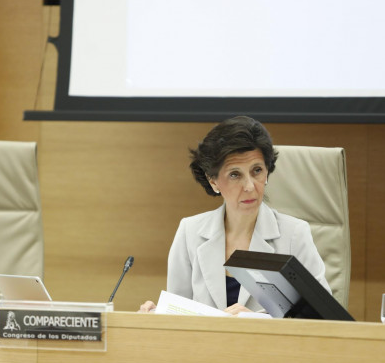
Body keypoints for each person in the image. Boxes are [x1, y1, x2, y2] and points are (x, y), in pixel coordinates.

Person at [139, 116, 331, 315]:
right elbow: (179, 315)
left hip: (268, 346)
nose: (249, 186)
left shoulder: (294, 234)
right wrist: (156, 316)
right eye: (235, 175)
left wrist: (257, 323)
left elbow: (321, 316)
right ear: (213, 181)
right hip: (207, 346)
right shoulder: (190, 231)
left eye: (257, 171)